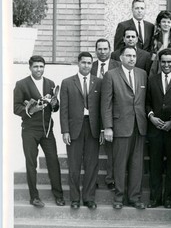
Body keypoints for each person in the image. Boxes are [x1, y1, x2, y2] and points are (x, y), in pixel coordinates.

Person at [13, 55, 65, 207]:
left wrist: (55, 103)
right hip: (29, 130)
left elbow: (55, 107)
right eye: (35, 67)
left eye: (41, 66)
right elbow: (15, 107)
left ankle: (59, 195)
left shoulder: (50, 83)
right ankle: (34, 197)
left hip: (47, 130)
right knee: (31, 163)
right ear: (30, 68)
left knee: (53, 162)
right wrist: (30, 109)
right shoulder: (21, 84)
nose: (38, 69)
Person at [101, 45, 148, 209]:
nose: (132, 59)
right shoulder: (111, 75)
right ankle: (119, 198)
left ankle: (134, 198)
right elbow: (106, 103)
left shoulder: (142, 74)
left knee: (137, 164)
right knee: (120, 164)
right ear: (120, 58)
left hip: (139, 125)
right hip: (120, 125)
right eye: (128, 56)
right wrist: (108, 127)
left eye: (134, 56)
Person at [60, 52, 102, 209]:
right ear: (78, 63)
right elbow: (63, 109)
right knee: (74, 164)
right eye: (83, 62)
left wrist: (103, 129)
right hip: (74, 128)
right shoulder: (67, 83)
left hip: (93, 127)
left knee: (92, 164)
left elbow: (102, 108)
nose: (86, 65)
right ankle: (75, 199)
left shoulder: (99, 82)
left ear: (92, 65)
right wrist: (65, 131)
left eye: (89, 63)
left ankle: (89, 198)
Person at [145, 49, 171, 208]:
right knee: (155, 164)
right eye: (163, 62)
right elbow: (146, 102)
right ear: (159, 63)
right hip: (155, 130)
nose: (166, 64)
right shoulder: (152, 80)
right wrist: (151, 117)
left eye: (169, 62)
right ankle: (155, 198)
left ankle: (168, 198)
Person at [90, 38, 120, 189]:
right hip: (93, 114)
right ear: (96, 50)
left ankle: (110, 179)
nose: (102, 52)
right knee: (92, 149)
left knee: (111, 150)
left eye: (105, 49)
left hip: (111, 113)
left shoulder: (118, 66)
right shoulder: (90, 66)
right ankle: (92, 179)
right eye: (99, 49)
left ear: (110, 49)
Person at [149, 10, 171, 75]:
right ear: (159, 23)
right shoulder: (154, 38)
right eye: (163, 22)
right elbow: (152, 58)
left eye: (168, 22)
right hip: (157, 69)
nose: (166, 24)